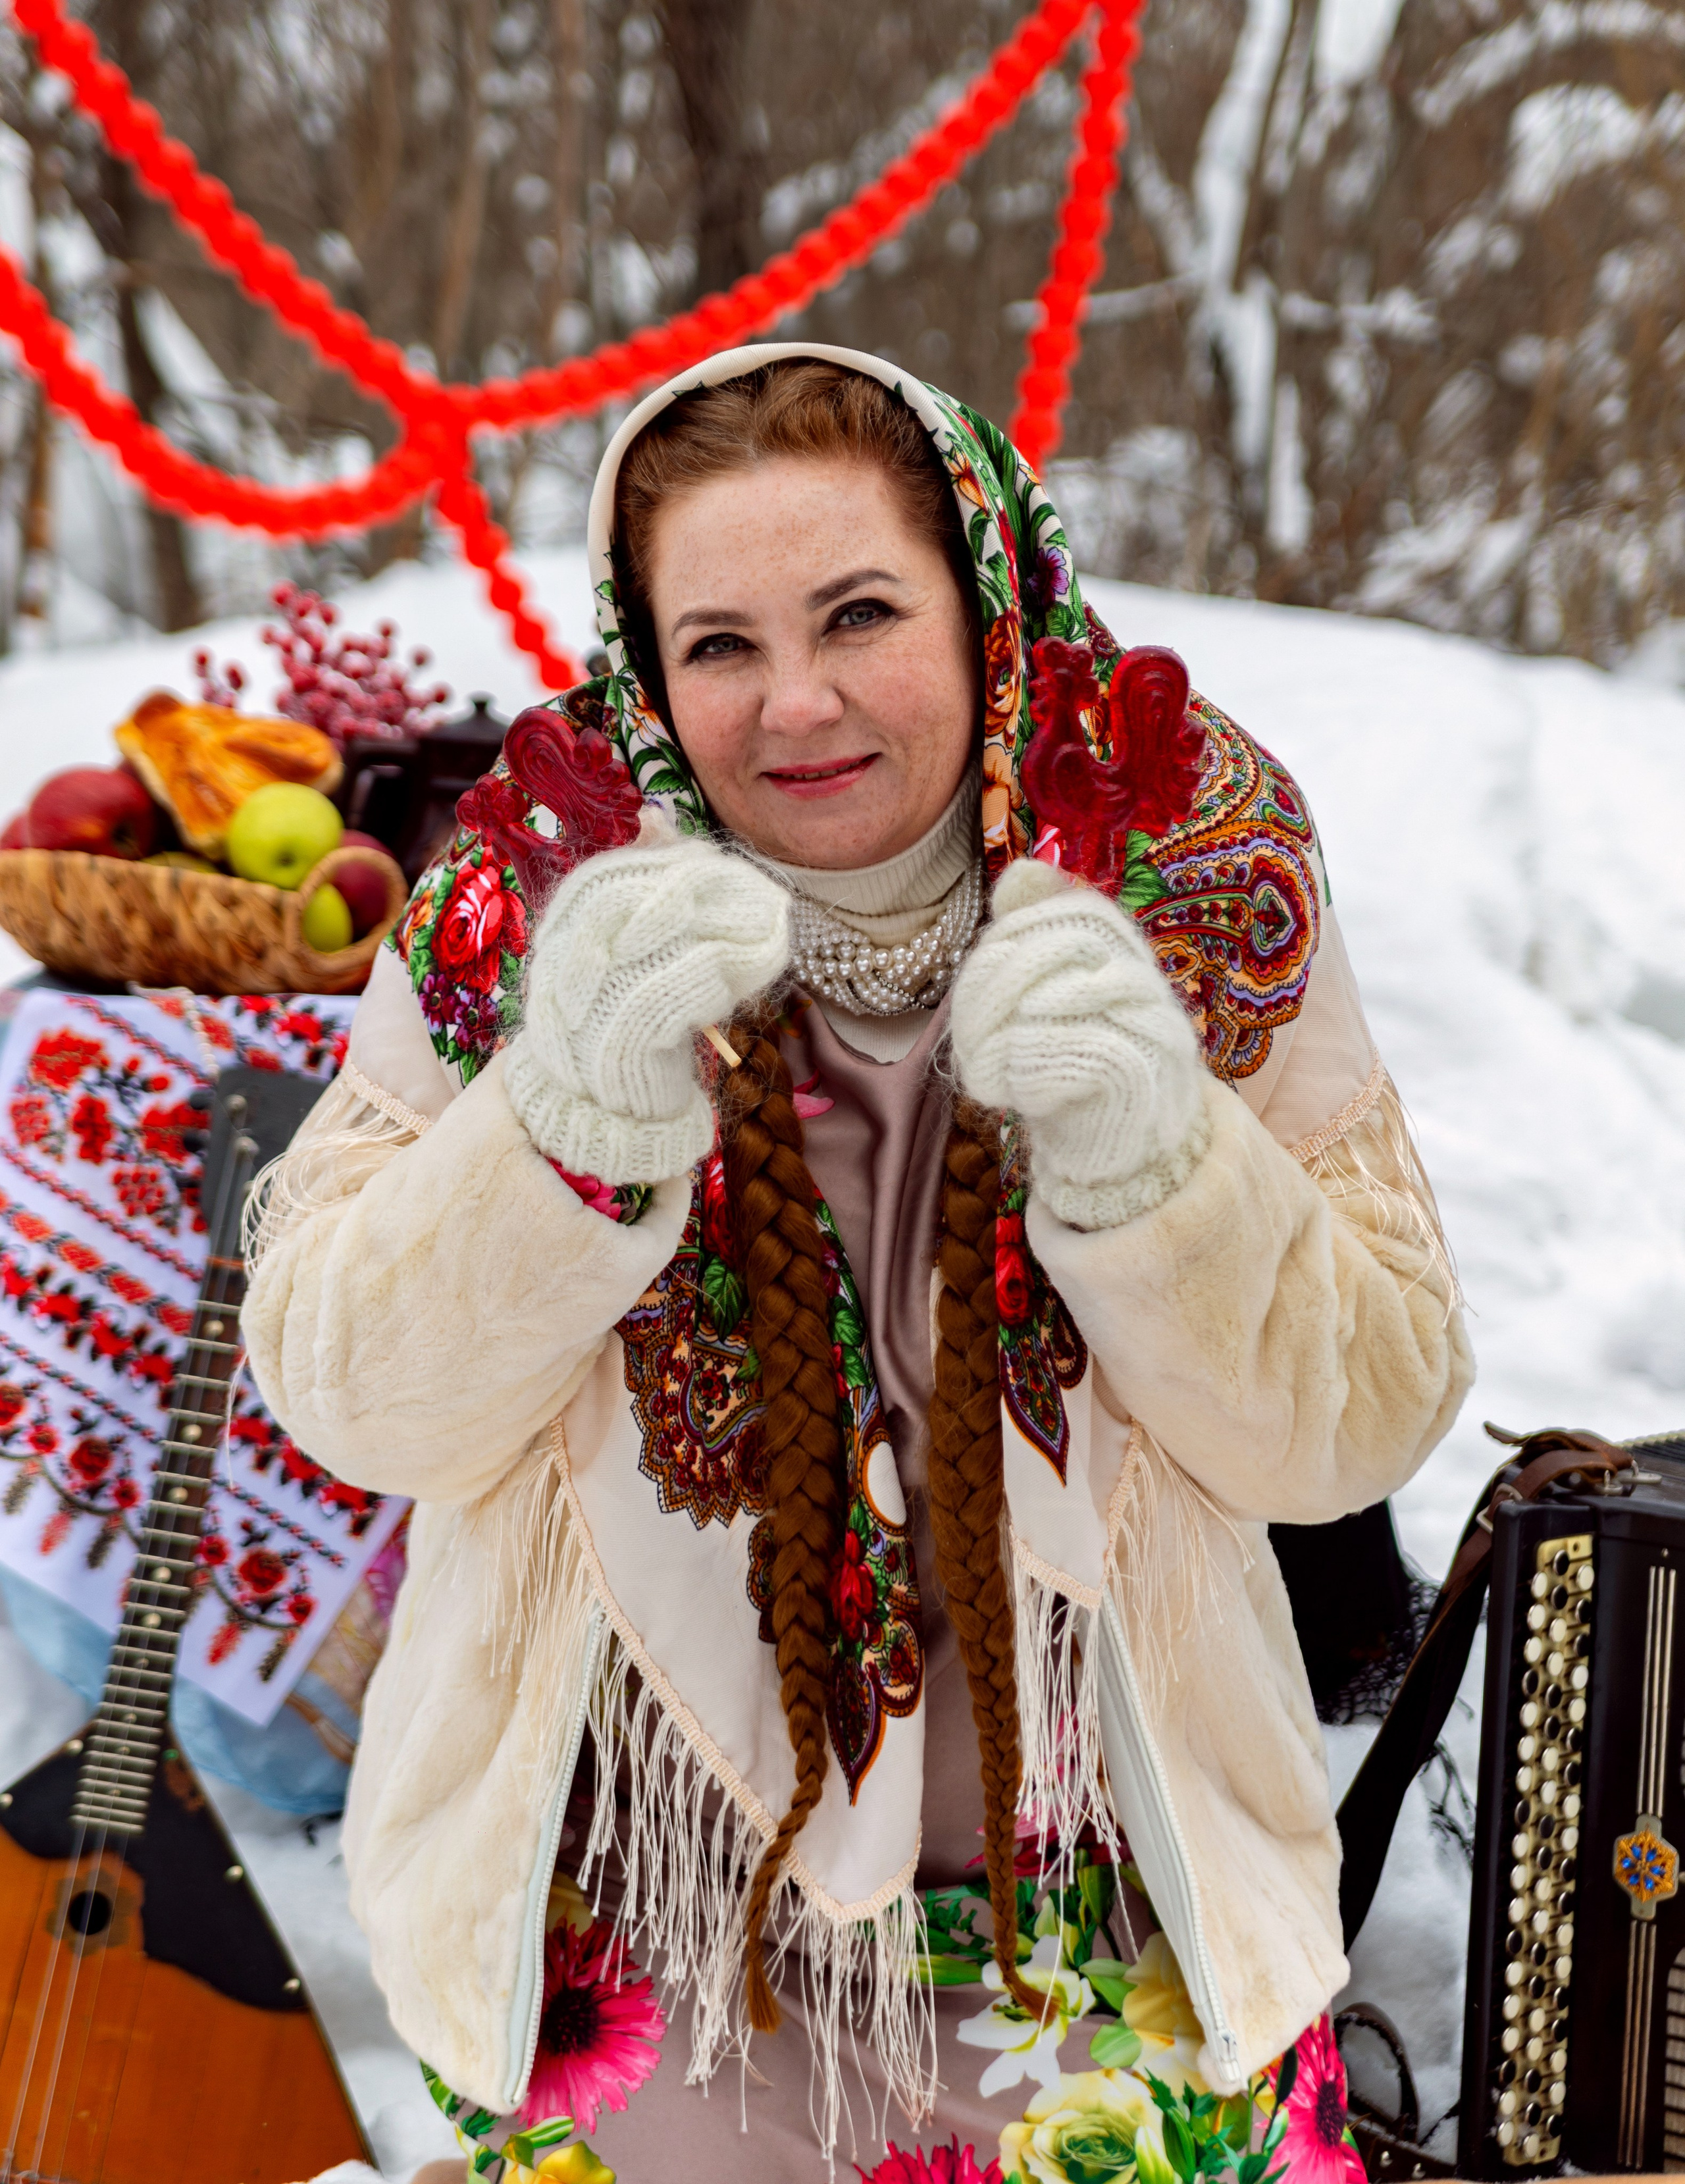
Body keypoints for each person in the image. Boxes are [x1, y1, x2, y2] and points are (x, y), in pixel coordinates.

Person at [245, 344, 1472, 2184]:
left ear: (986, 612)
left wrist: (1162, 1159)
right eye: (720, 643)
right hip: (636, 1919)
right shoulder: (533, 894)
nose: (793, 702)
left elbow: (1356, 1423)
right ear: (647, 667)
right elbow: (353, 1397)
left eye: (858, 614)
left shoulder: (1187, 859)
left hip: (1120, 1909)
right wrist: (557, 1125)